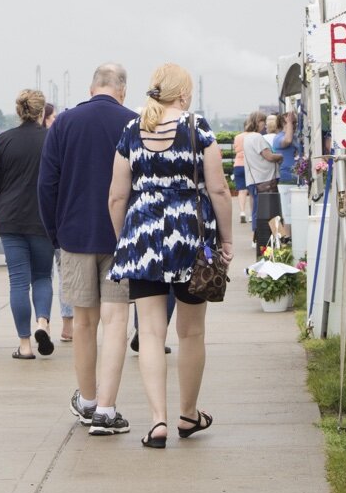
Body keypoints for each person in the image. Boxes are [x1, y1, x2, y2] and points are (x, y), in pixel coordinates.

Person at [108, 64, 234, 448]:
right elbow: (219, 189)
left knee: (149, 332)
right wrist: (227, 240)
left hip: (143, 236)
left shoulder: (132, 131)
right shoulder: (197, 128)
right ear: (183, 94)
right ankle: (188, 415)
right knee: (191, 331)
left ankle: (158, 422)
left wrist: (125, 242)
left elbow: (116, 195)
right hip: (191, 239)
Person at [39, 62, 134, 436]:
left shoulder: (64, 123)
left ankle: (89, 400)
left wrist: (55, 234)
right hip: (121, 237)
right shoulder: (133, 123)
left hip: (75, 235)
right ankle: (107, 409)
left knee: (82, 322)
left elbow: (46, 185)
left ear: (92, 86)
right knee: (116, 322)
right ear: (122, 90)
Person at [0, 89, 55, 359]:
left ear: (19, 111)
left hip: (11, 219)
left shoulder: (3, 140)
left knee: (18, 283)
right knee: (42, 276)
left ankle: (24, 345)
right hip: (43, 220)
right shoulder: (52, 140)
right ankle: (43, 323)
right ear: (41, 112)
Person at [43, 102, 75, 341]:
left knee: (38, 277)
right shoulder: (56, 143)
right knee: (65, 274)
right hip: (59, 219)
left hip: (33, 220)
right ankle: (67, 324)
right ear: (43, 118)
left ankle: (41, 322)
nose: (55, 121)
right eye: (52, 117)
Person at [244, 110, 294, 250]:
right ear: (256, 122)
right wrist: (280, 157)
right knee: (272, 211)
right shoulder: (257, 138)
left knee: (259, 211)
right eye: (262, 122)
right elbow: (269, 156)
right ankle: (274, 239)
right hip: (265, 179)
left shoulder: (248, 138)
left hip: (255, 179)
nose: (264, 125)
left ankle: (263, 238)